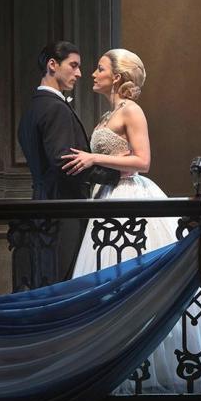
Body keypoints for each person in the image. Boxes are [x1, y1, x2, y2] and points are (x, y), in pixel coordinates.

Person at [63, 49, 201, 394]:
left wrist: (93, 157)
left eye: (100, 68)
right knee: (113, 278)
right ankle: (120, 360)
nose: (93, 74)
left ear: (119, 76)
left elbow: (143, 160)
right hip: (110, 196)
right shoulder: (110, 113)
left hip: (131, 195)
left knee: (142, 274)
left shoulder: (132, 111)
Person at [17, 41, 120, 287]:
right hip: (64, 210)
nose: (80, 73)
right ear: (52, 65)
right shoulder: (54, 108)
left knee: (49, 280)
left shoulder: (33, 108)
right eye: (73, 65)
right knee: (65, 281)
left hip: (43, 204)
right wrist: (114, 176)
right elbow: (66, 162)